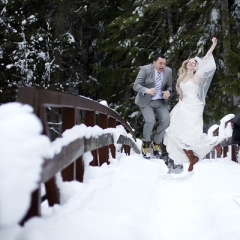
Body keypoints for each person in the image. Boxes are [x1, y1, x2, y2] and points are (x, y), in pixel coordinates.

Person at [163, 37, 222, 172]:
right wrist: (180, 94)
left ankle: (212, 143)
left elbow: (206, 58)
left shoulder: (198, 76)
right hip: (182, 106)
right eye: (189, 62)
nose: (191, 63)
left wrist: (213, 45)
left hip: (194, 106)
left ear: (196, 66)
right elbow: (178, 87)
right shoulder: (181, 77)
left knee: (193, 133)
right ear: (186, 64)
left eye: (194, 63)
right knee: (176, 132)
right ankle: (192, 158)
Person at [133, 53, 172, 159]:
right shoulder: (145, 69)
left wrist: (168, 92)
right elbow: (136, 85)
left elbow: (169, 86)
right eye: (160, 63)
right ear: (154, 63)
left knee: (166, 119)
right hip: (146, 101)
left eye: (164, 63)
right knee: (150, 121)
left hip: (160, 102)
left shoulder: (168, 71)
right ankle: (145, 144)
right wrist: (146, 90)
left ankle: (156, 144)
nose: (162, 66)